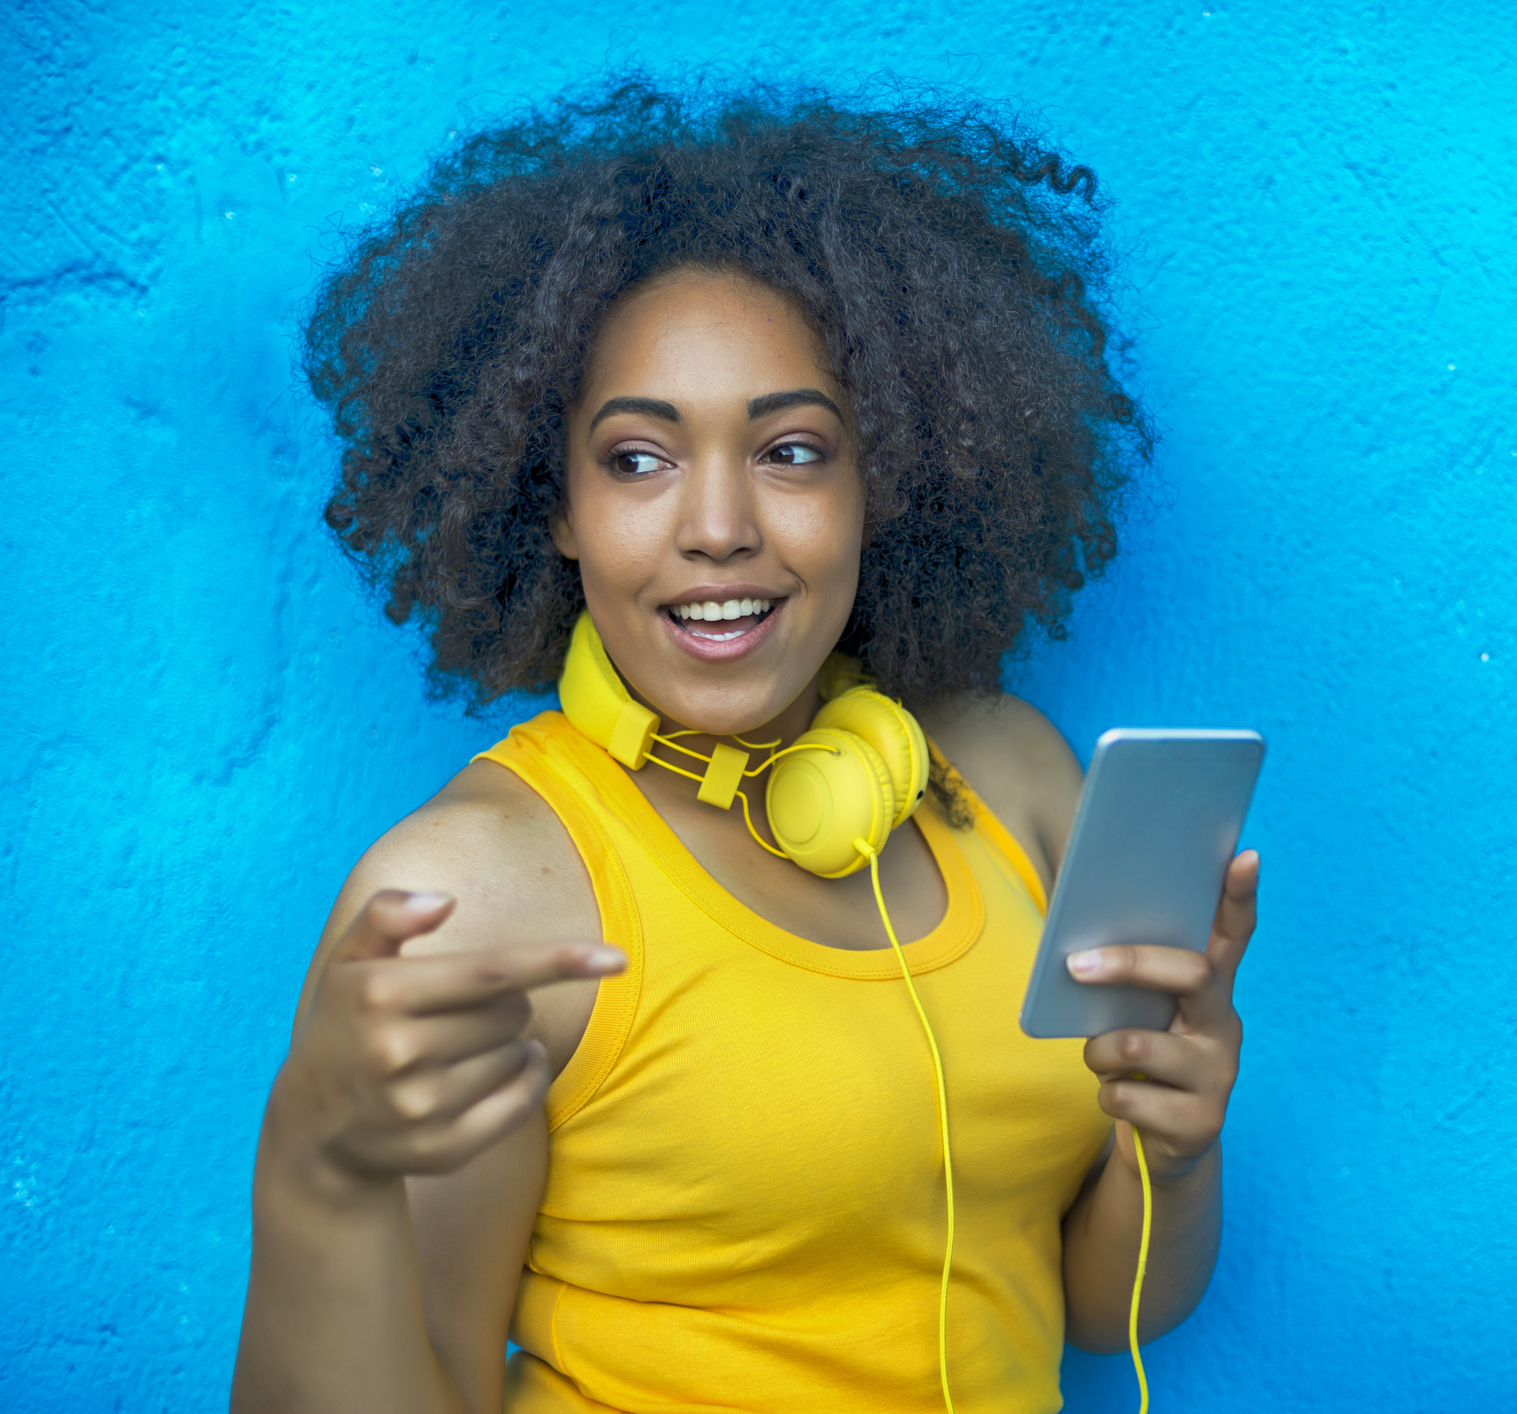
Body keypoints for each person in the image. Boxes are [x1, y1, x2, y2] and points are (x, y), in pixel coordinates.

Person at [233, 83, 1260, 1414]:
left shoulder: (1012, 779)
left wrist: (1171, 1150)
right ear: (556, 508)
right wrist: (315, 1172)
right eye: (639, 459)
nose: (716, 526)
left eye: (788, 449)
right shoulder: (471, 898)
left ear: (879, 478)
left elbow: (1099, 1305)